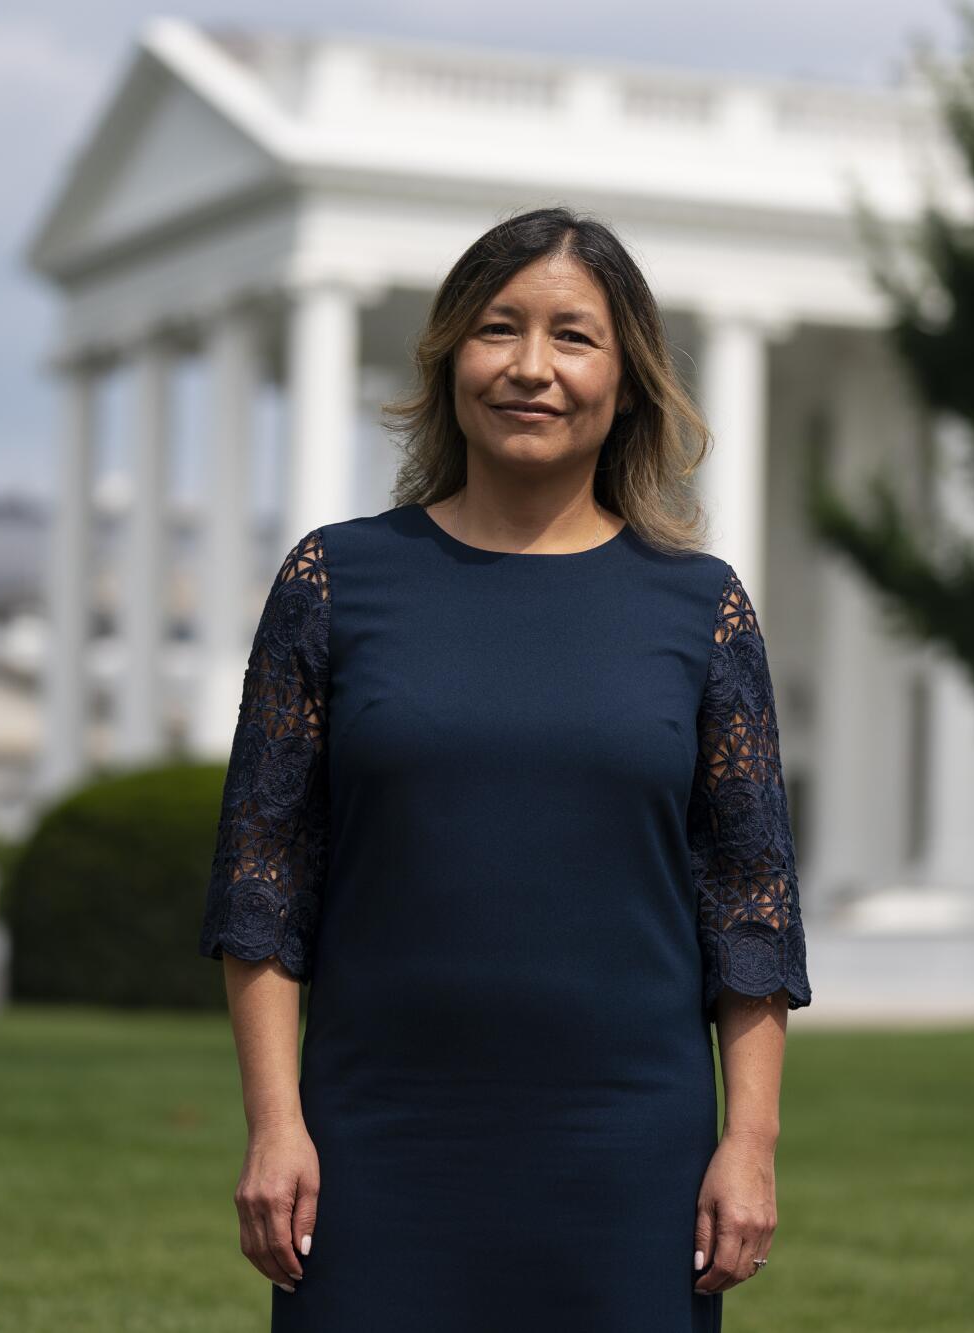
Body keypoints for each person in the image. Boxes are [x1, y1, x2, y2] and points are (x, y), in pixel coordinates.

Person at [198, 204, 812, 1332]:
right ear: (447, 361)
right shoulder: (332, 583)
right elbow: (262, 881)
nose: (532, 367)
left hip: (629, 1154)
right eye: (498, 328)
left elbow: (749, 905)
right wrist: (274, 1123)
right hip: (374, 1144)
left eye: (573, 336)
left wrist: (750, 1142)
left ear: (626, 380)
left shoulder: (701, 607)